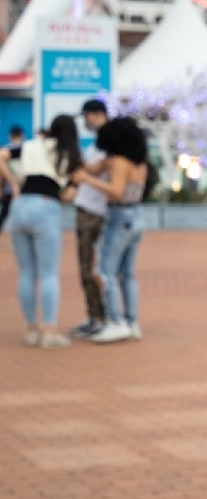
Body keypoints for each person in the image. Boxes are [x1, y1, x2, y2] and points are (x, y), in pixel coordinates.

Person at [0, 116, 83, 348]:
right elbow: (68, 196)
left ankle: (31, 329)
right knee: (48, 273)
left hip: (20, 206)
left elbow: (1, 156)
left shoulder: (30, 144)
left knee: (26, 273)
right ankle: (49, 330)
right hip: (46, 206)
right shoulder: (71, 154)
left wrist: (13, 183)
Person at [70, 117, 150, 344]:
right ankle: (132, 321)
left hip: (119, 216)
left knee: (105, 271)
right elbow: (94, 167)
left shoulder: (118, 162)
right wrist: (87, 168)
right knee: (127, 273)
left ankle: (115, 322)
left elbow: (115, 191)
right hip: (136, 216)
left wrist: (86, 180)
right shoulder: (138, 162)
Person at [69, 99, 111, 339]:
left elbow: (96, 171)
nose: (86, 122)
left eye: (87, 117)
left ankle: (103, 316)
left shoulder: (111, 143)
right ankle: (93, 315)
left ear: (97, 114)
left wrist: (85, 173)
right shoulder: (96, 143)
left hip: (97, 211)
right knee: (85, 267)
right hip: (85, 207)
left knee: (94, 269)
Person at [0, 125, 24, 231]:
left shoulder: (5, 150)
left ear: (10, 136)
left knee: (4, 214)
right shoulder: (26, 149)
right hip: (24, 189)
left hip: (8, 189)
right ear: (22, 136)